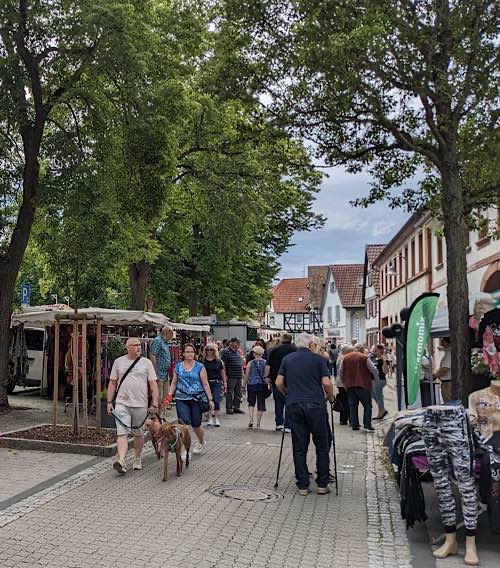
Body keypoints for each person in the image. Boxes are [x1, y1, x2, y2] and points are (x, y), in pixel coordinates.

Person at [276, 333, 334, 495]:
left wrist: (287, 394)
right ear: (310, 345)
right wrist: (331, 398)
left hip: (294, 404)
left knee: (299, 446)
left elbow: (278, 382)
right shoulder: (318, 360)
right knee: (322, 444)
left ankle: (303, 485)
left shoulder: (288, 359)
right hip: (316, 405)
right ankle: (322, 484)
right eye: (315, 344)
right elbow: (327, 383)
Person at [106, 337, 159, 475]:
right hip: (122, 403)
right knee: (122, 432)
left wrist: (155, 403)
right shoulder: (119, 362)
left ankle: (137, 457)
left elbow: (153, 384)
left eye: (139, 345)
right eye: (135, 345)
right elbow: (112, 383)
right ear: (128, 347)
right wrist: (109, 401)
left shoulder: (146, 363)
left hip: (140, 404)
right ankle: (122, 461)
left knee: (138, 433)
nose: (139, 347)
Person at [164, 343, 215, 454]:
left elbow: (205, 384)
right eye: (187, 352)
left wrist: (210, 399)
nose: (190, 354)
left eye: (192, 352)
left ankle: (201, 441)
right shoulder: (178, 366)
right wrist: (169, 396)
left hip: (196, 398)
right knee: (184, 425)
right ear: (183, 354)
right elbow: (174, 382)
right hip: (181, 398)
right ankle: (185, 449)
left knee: (196, 425)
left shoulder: (199, 367)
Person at [338, 343, 379, 432]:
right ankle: (367, 424)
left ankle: (354, 425)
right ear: (362, 349)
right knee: (367, 405)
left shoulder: (345, 358)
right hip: (363, 385)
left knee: (353, 405)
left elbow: (340, 372)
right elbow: (373, 369)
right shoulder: (364, 357)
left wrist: (345, 383)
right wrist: (376, 379)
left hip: (350, 386)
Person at [265, 332, 296, 432]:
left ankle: (279, 423)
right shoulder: (295, 350)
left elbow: (268, 365)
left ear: (282, 339)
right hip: (292, 380)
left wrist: (266, 376)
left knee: (278, 402)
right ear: (291, 340)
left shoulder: (274, 350)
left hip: (276, 379)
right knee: (290, 402)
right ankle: (288, 425)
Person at [243, 345, 271, 428]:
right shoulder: (265, 362)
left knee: (251, 402)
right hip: (262, 385)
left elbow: (247, 375)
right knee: (261, 403)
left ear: (255, 353)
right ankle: (258, 423)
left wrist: (243, 385)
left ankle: (251, 418)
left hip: (251, 384)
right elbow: (267, 374)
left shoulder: (250, 363)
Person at [202, 342, 227, 427]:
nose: (209, 351)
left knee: (216, 400)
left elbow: (222, 372)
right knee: (209, 400)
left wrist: (225, 383)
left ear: (214, 351)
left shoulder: (218, 361)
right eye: (207, 349)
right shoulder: (202, 361)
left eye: (211, 350)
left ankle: (216, 418)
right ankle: (209, 418)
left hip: (216, 382)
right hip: (206, 382)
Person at [220, 337, 245, 415]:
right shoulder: (226, 351)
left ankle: (236, 407)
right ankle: (229, 407)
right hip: (231, 375)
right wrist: (225, 375)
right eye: (237, 343)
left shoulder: (237, 352)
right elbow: (223, 364)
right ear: (232, 343)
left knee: (238, 392)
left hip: (238, 375)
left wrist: (242, 373)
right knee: (230, 392)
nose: (239, 344)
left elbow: (240, 363)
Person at [149, 325, 173, 401]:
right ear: (167, 332)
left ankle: (161, 412)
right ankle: (156, 412)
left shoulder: (165, 342)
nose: (172, 335)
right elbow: (153, 355)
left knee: (165, 397)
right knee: (158, 396)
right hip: (159, 373)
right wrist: (156, 372)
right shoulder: (158, 341)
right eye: (171, 333)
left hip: (165, 373)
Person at [335, 344, 353, 425]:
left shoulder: (340, 357)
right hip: (343, 382)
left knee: (343, 400)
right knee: (346, 401)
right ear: (346, 351)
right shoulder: (343, 358)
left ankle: (343, 419)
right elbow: (343, 371)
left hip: (340, 382)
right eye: (350, 351)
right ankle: (346, 419)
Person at [371, 344, 389, 420]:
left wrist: (384, 362)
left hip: (380, 379)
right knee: (373, 395)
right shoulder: (375, 358)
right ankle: (383, 410)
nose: (374, 351)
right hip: (374, 380)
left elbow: (385, 371)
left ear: (381, 350)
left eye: (376, 350)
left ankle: (380, 413)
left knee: (379, 397)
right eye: (374, 349)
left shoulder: (383, 359)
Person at [434, 337, 452, 402]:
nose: (441, 342)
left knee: (448, 402)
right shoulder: (447, 352)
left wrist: (435, 375)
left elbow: (445, 368)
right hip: (446, 382)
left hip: (448, 382)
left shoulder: (449, 353)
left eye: (443, 341)